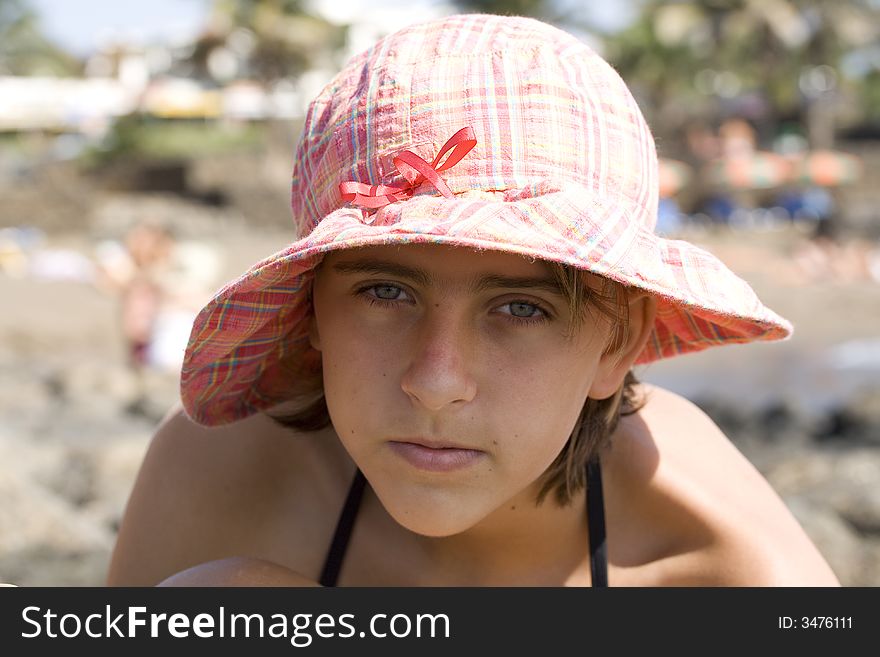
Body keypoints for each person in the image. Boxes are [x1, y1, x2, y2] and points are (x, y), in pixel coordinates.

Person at [106, 14, 840, 587]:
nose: (435, 379)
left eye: (522, 307)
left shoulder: (729, 575)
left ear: (616, 342)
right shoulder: (221, 478)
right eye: (385, 290)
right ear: (312, 311)